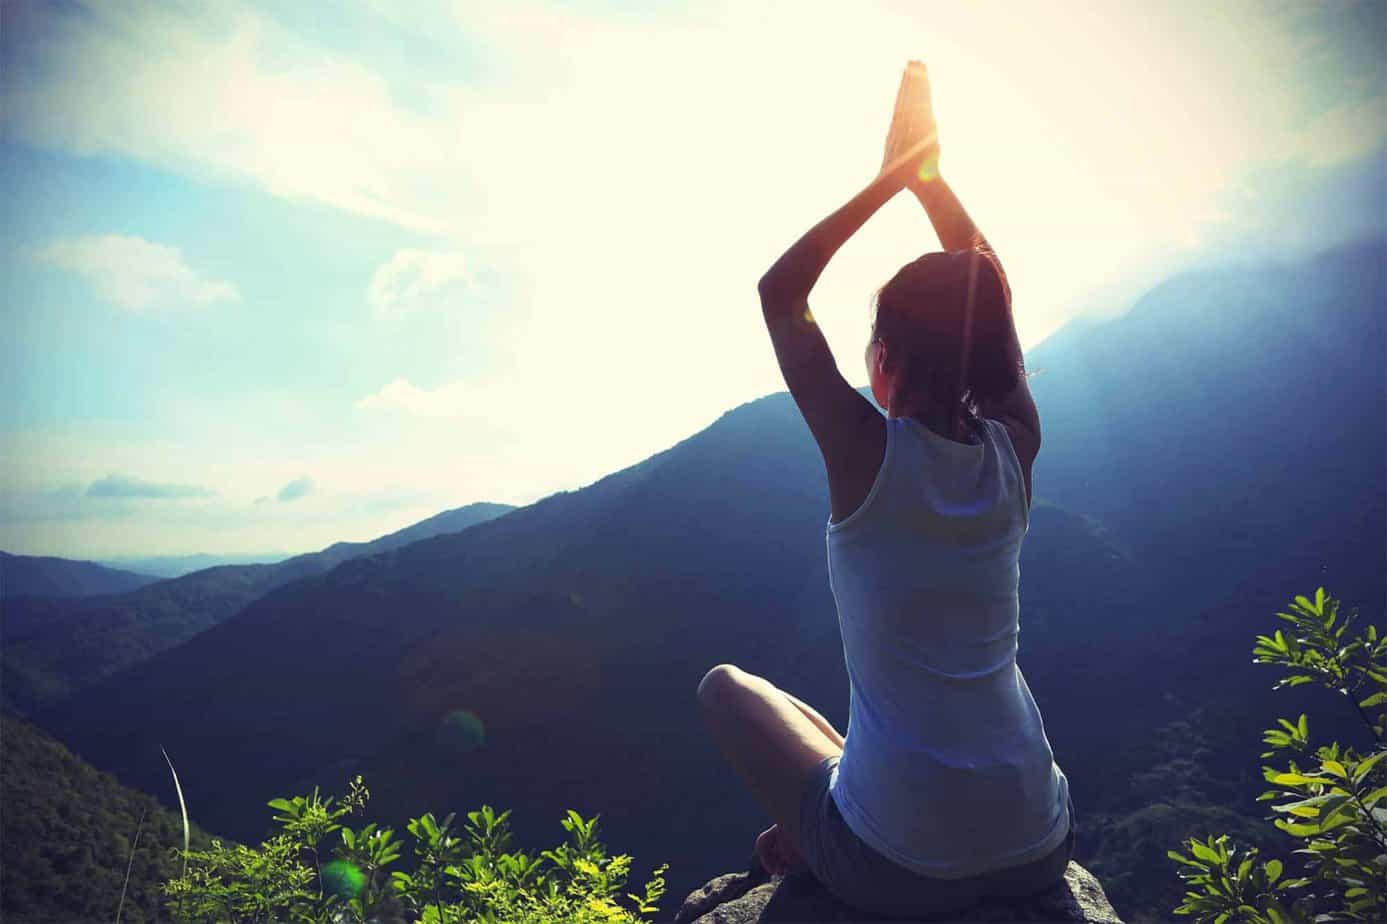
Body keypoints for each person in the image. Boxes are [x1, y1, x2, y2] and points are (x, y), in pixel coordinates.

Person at [696, 60, 1074, 918]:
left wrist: (890, 180)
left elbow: (778, 292)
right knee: (852, 740)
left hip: (904, 868)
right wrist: (931, 180)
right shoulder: (1016, 449)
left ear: (885, 361)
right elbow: (989, 288)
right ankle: (824, 829)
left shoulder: (864, 452)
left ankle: (818, 846)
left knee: (724, 686)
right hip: (1037, 845)